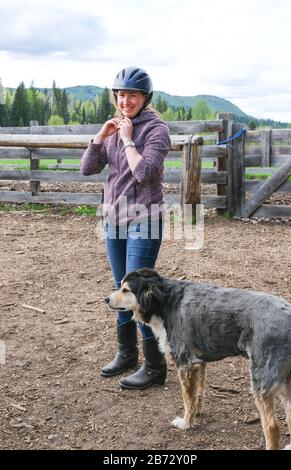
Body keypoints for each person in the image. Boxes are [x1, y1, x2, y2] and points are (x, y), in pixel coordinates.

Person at [80, 66, 171, 390]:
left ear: (145, 98)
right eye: (120, 95)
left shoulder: (156, 131)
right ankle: (127, 353)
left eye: (132, 95)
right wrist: (101, 136)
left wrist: (129, 140)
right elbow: (87, 168)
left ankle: (155, 366)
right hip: (114, 219)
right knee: (122, 287)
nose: (125, 100)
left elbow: (145, 173)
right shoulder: (114, 128)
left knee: (138, 292)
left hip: (144, 218)